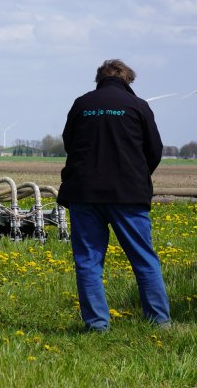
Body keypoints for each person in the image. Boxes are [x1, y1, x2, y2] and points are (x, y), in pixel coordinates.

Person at [58, 59, 171, 332]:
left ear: (99, 79)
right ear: (127, 80)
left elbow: (69, 143)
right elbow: (154, 150)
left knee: (88, 262)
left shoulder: (81, 104)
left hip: (84, 192)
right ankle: (159, 322)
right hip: (128, 194)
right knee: (143, 258)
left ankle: (97, 325)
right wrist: (136, 176)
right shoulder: (139, 106)